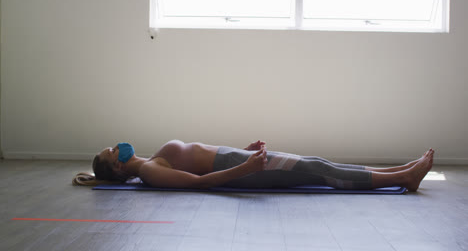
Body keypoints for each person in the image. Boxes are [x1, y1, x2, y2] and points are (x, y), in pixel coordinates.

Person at [73, 140, 435, 192]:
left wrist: (242, 151)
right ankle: (405, 177)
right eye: (111, 153)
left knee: (318, 164)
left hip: (240, 157)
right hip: (245, 167)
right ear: (118, 169)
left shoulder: (153, 158)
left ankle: (399, 171)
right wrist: (245, 169)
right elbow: (199, 182)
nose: (116, 147)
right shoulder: (150, 171)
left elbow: (203, 156)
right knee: (321, 172)